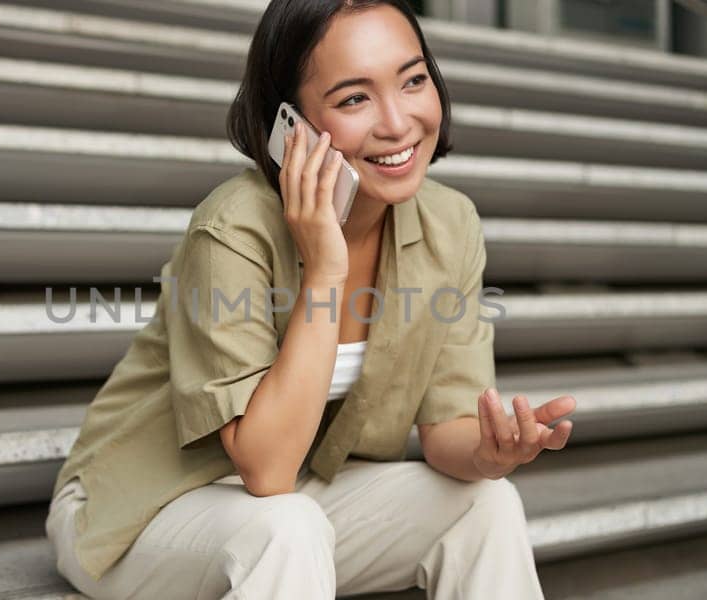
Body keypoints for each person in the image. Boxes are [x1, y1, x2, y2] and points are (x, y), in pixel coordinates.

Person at [46, 1, 576, 597]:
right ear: (290, 125)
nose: (398, 122)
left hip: (292, 505)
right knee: (286, 526)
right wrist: (325, 267)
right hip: (140, 510)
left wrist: (491, 450)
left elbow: (446, 427)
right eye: (355, 98)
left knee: (487, 502)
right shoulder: (233, 228)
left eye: (413, 80)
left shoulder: (450, 224)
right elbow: (267, 469)